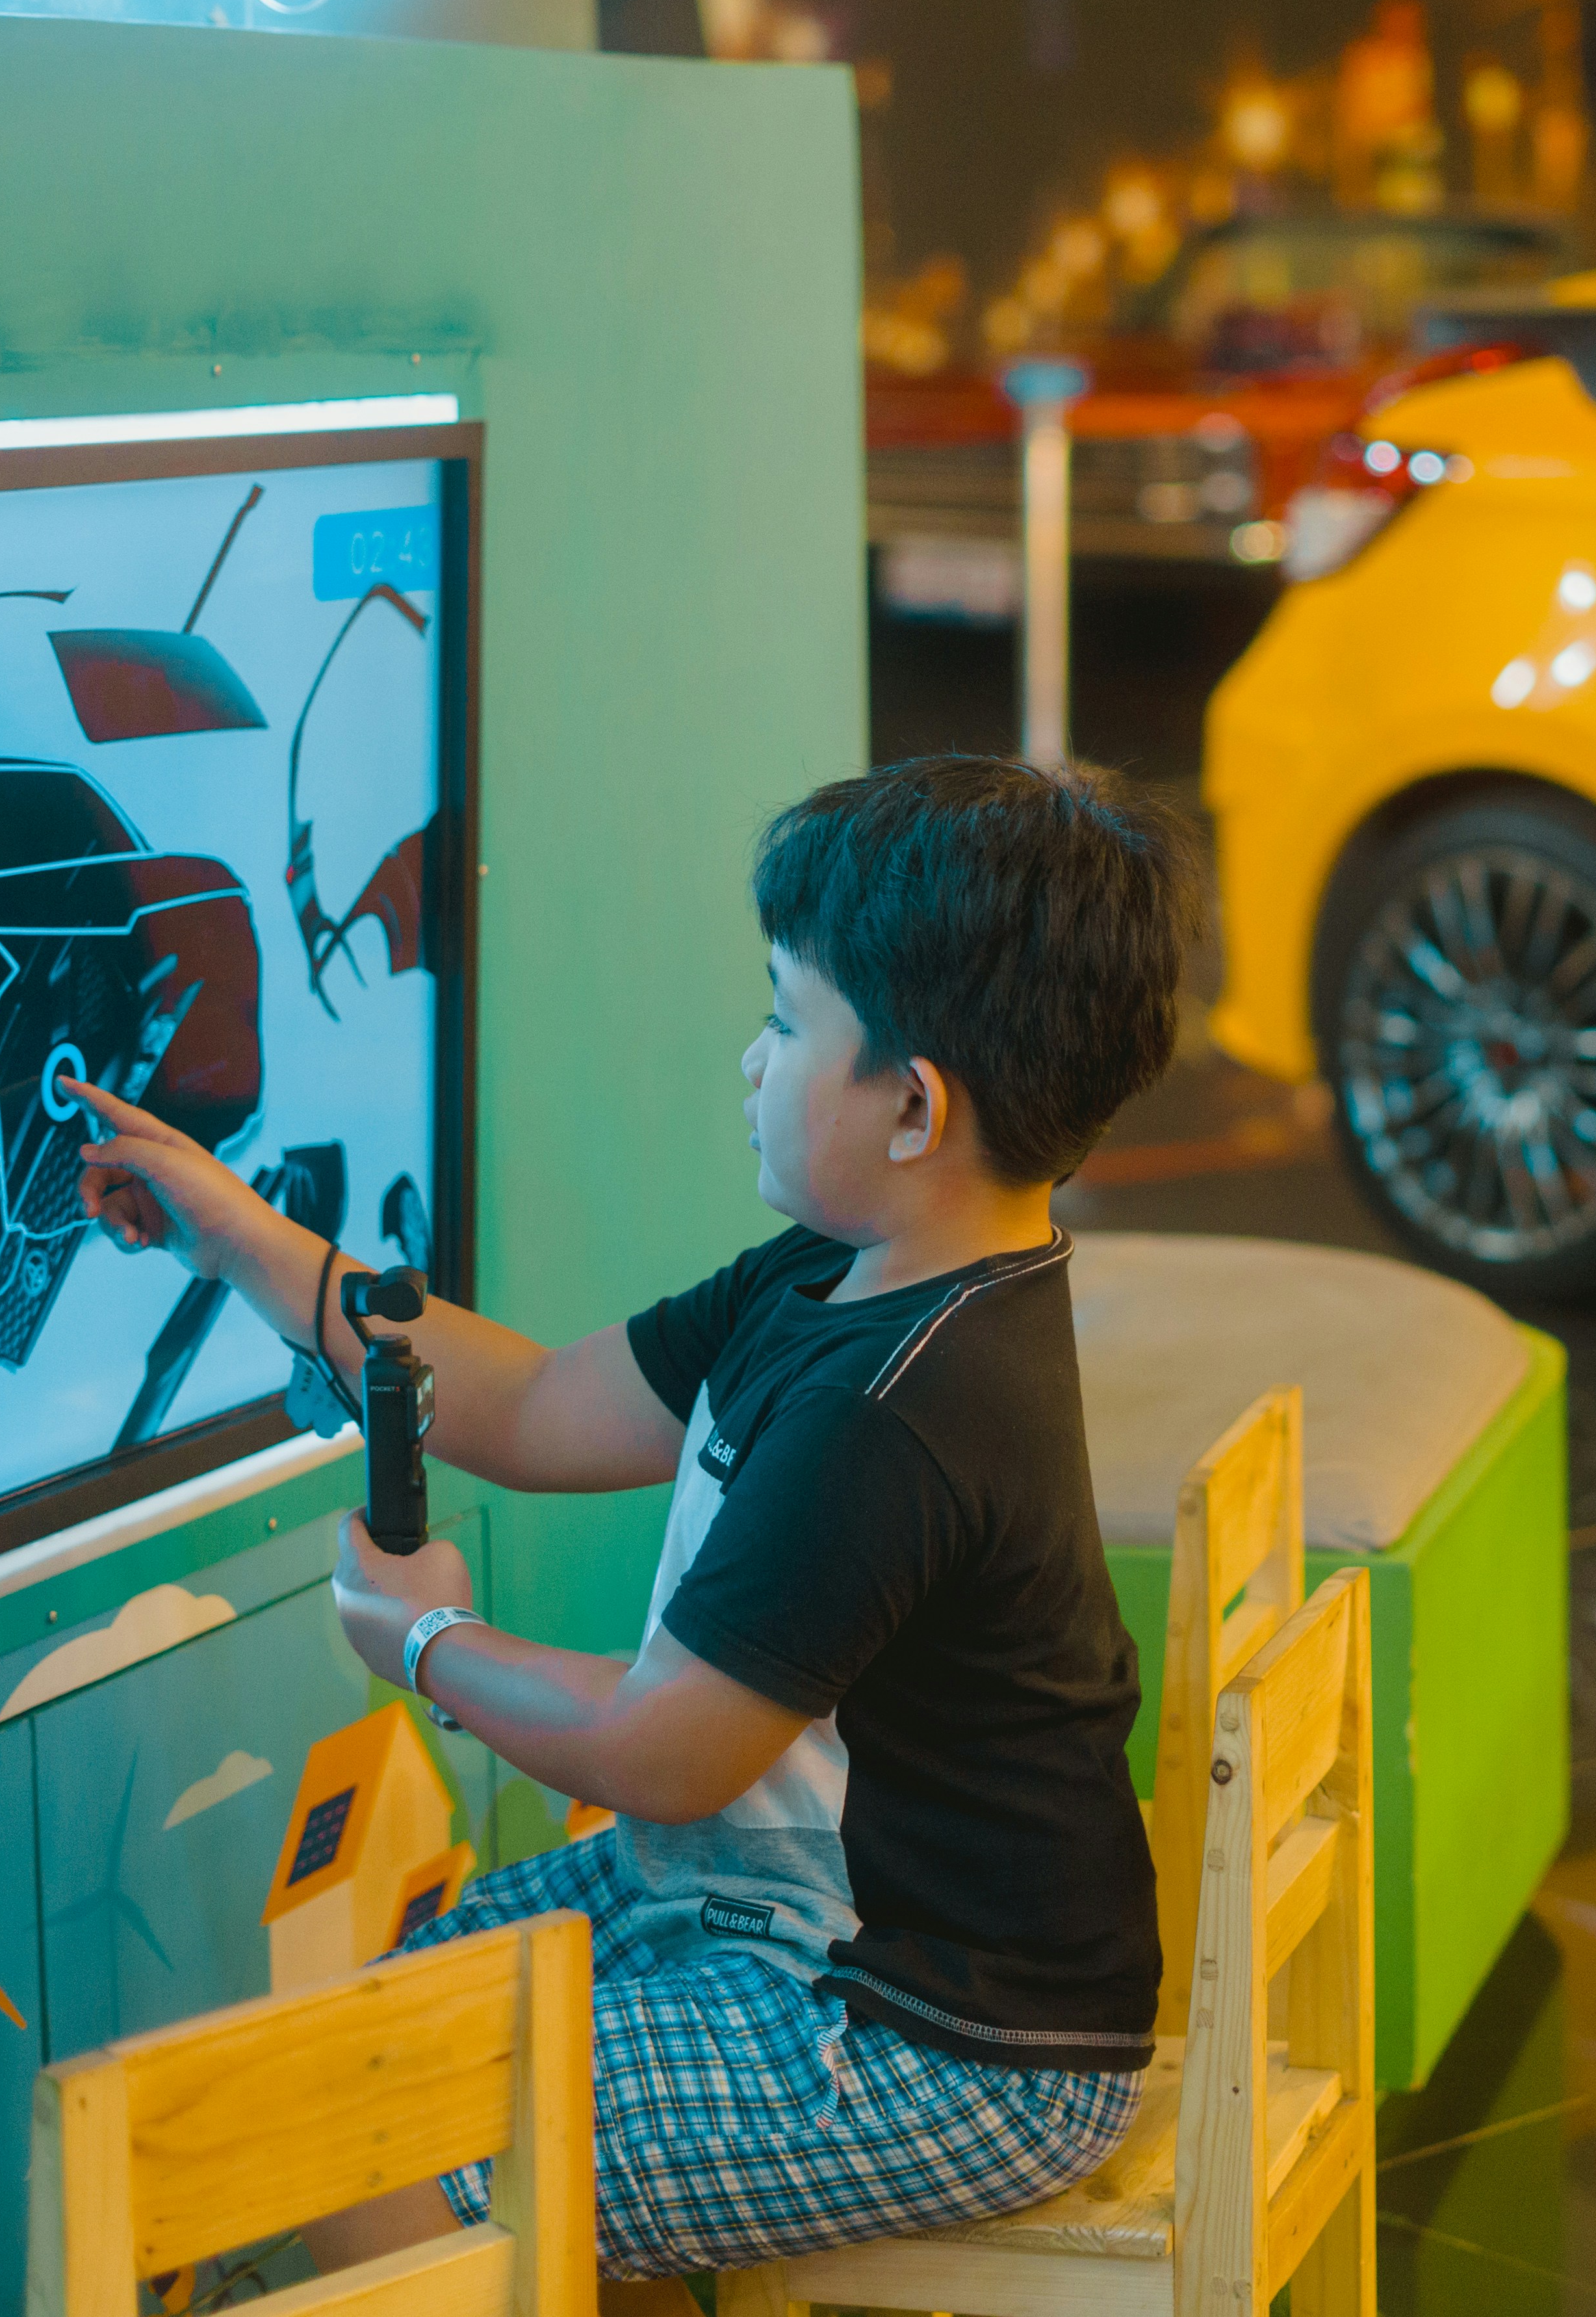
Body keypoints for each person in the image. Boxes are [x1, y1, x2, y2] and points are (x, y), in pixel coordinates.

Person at [68, 752, 1204, 2280]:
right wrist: (245, 1243)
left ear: (913, 1106)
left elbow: (659, 1750)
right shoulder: (837, 1275)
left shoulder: (893, 1411)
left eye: (785, 1021)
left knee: (372, 2158)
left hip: (942, 2038)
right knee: (375, 2028)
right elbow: (538, 1407)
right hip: (772, 1909)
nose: (749, 1057)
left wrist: (426, 1640)